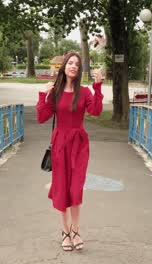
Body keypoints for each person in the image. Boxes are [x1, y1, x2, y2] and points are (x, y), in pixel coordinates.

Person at [36, 51, 104, 251]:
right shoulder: (55, 91)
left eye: (77, 64)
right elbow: (41, 118)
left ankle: (76, 230)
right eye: (70, 63)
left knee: (75, 189)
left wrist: (98, 87)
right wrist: (43, 95)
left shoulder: (84, 92)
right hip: (60, 144)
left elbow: (96, 111)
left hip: (79, 144)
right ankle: (65, 232)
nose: (73, 66)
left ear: (79, 69)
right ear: (64, 66)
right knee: (62, 190)